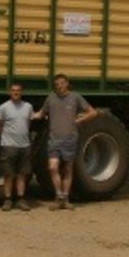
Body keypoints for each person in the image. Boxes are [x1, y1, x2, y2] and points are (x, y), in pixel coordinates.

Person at [33, 73, 97, 210]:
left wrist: (80, 120)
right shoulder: (51, 98)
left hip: (70, 139)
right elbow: (41, 114)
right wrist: (27, 115)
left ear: (67, 83)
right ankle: (58, 195)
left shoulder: (75, 97)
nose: (59, 86)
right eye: (56, 84)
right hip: (54, 140)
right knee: (53, 167)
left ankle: (65, 198)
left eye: (61, 83)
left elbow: (92, 112)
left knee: (68, 169)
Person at [0, 83, 33, 212]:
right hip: (9, 145)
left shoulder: (28, 107)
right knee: (8, 174)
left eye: (18, 90)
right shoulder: (4, 107)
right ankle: (7, 199)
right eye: (13, 90)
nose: (15, 93)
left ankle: (21, 199)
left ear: (21, 92)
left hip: (24, 145)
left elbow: (28, 123)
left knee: (22, 174)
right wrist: (5, 138)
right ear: (9, 92)